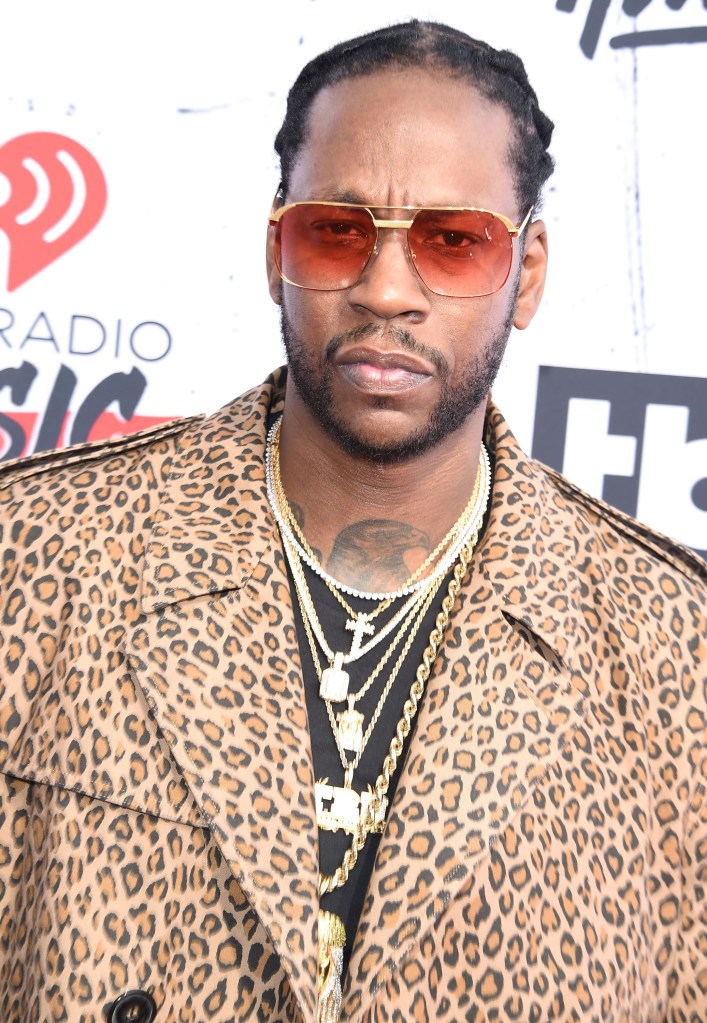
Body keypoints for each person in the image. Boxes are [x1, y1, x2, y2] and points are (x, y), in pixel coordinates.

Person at [0, 18, 705, 1023]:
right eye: (335, 231)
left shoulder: (672, 641)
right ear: (274, 250)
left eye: (453, 243)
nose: (385, 291)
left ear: (528, 273)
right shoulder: (39, 553)